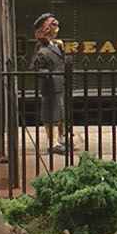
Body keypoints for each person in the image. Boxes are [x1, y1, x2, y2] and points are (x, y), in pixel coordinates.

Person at [30, 13, 71, 153]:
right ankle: (52, 144)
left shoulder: (56, 46)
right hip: (50, 87)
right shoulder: (43, 52)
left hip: (60, 85)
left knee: (60, 114)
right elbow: (35, 69)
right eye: (54, 26)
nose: (56, 29)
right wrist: (48, 75)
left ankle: (62, 139)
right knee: (51, 115)